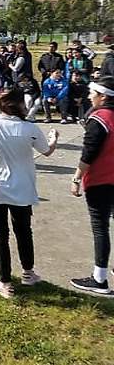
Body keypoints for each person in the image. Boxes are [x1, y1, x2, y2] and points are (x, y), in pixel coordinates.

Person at [0, 88, 58, 299]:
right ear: (21, 104)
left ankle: (4, 282)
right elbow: (47, 151)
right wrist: (54, 137)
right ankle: (28, 273)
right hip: (22, 187)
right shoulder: (29, 128)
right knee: (23, 230)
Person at [69, 76, 114, 294]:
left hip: (101, 180)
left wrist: (76, 178)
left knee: (100, 227)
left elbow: (88, 153)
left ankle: (100, 279)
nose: (89, 96)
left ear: (103, 96)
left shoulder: (99, 119)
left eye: (92, 93)